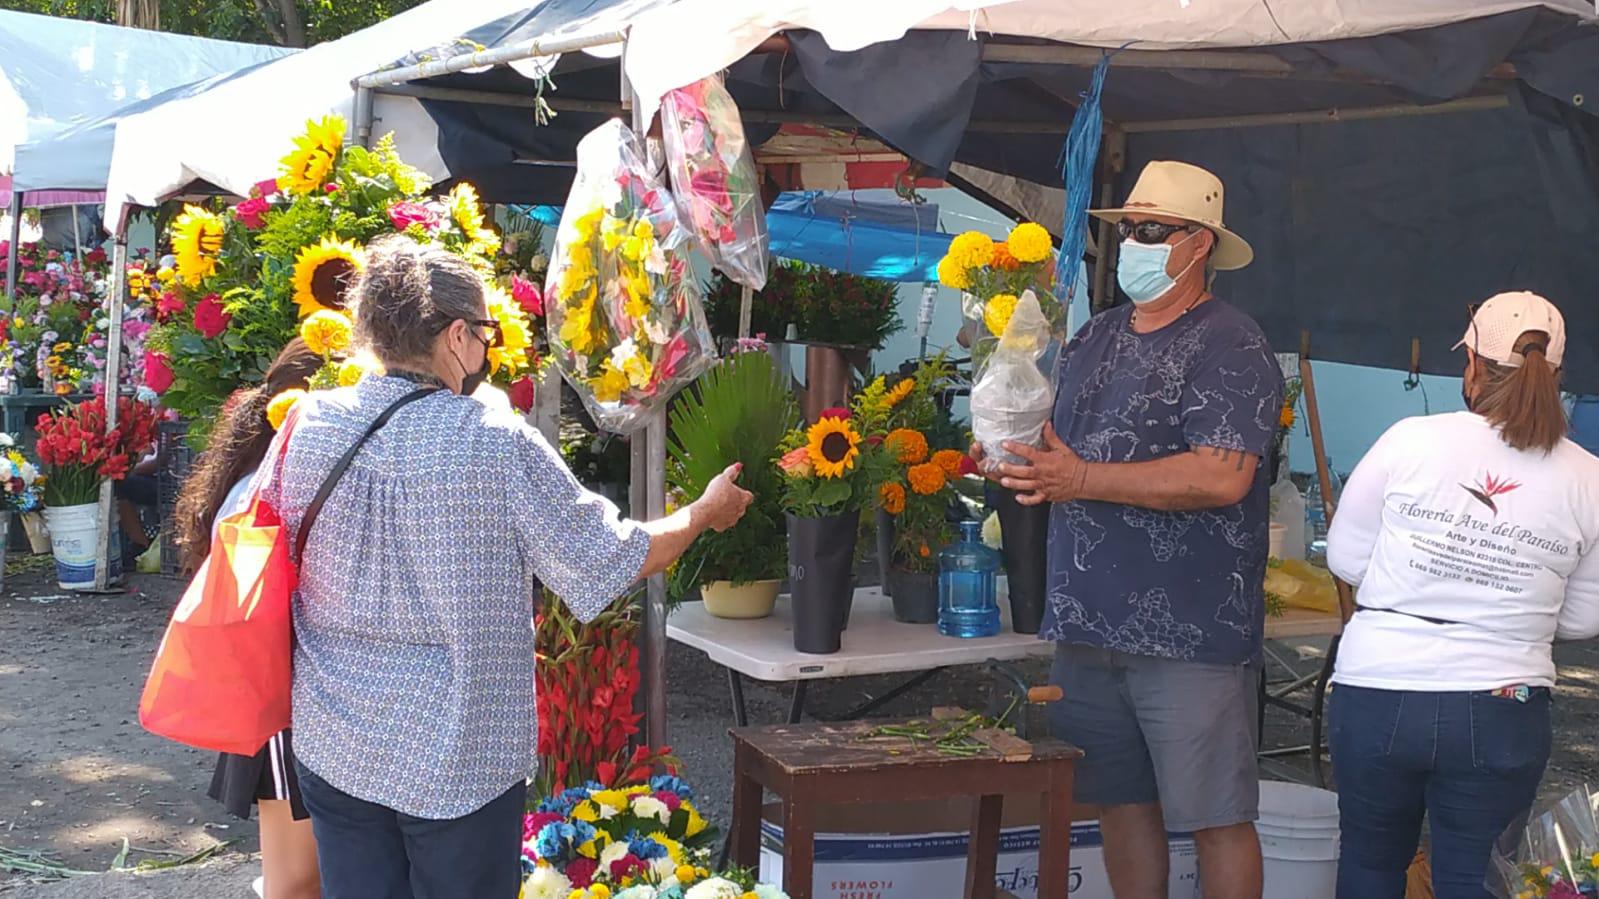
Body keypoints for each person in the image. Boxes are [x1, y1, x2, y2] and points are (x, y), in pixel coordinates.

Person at [254, 235, 751, 899]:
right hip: (457, 751)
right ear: (458, 335)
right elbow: (611, 557)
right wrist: (702, 513)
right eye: (484, 333)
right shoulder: (492, 442)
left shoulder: (309, 424)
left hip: (336, 737)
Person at [981, 160, 1281, 898]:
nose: (1133, 244)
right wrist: (1012, 453)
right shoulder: (1094, 335)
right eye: (1127, 230)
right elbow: (1063, 448)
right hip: (1088, 624)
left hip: (1190, 634)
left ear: (1199, 243)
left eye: (1152, 230)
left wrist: (1081, 480)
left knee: (1216, 819)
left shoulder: (1231, 343)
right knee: (1119, 805)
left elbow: (1222, 475)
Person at [1326, 292, 1599, 899]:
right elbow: (1583, 617)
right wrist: (1509, 609)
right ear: (1555, 373)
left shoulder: (1410, 439)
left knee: (1369, 864)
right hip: (1503, 702)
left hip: (1378, 687)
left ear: (1472, 363)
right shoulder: (1589, 475)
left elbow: (1346, 559)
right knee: (1476, 881)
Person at [172, 337, 327, 899]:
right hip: (286, 704)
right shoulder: (263, 490)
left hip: (294, 699)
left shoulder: (258, 478)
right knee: (296, 881)